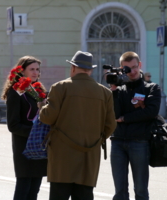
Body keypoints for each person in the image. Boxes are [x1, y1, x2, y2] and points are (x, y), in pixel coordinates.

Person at [38, 50, 117, 200]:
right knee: (84, 195)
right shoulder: (105, 93)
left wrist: (41, 107)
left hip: (62, 156)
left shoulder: (60, 87)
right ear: (90, 70)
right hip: (89, 153)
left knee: (59, 194)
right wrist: (97, 139)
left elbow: (48, 118)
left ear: (73, 67)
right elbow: (110, 125)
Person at [110, 52, 161, 200]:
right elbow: (114, 115)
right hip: (118, 141)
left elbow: (151, 112)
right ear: (121, 69)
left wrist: (125, 118)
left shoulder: (151, 88)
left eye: (134, 67)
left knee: (140, 190)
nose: (132, 72)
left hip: (140, 142)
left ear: (139, 65)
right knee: (119, 191)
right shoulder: (119, 90)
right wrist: (113, 90)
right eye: (127, 69)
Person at [1, 56, 47, 200]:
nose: (35, 73)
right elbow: (13, 125)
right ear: (22, 71)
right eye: (31, 69)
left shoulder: (38, 91)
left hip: (39, 147)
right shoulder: (15, 92)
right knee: (23, 189)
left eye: (37, 69)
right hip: (24, 148)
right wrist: (35, 133)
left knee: (34, 190)